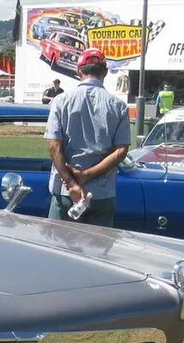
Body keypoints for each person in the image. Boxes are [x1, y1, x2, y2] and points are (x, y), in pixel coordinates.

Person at [44, 47, 130, 228]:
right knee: (98, 246)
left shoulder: (61, 101)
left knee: (58, 244)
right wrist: (86, 175)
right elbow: (121, 151)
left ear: (79, 71)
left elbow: (54, 146)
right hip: (102, 194)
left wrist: (72, 183)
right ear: (105, 72)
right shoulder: (119, 106)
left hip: (67, 192)